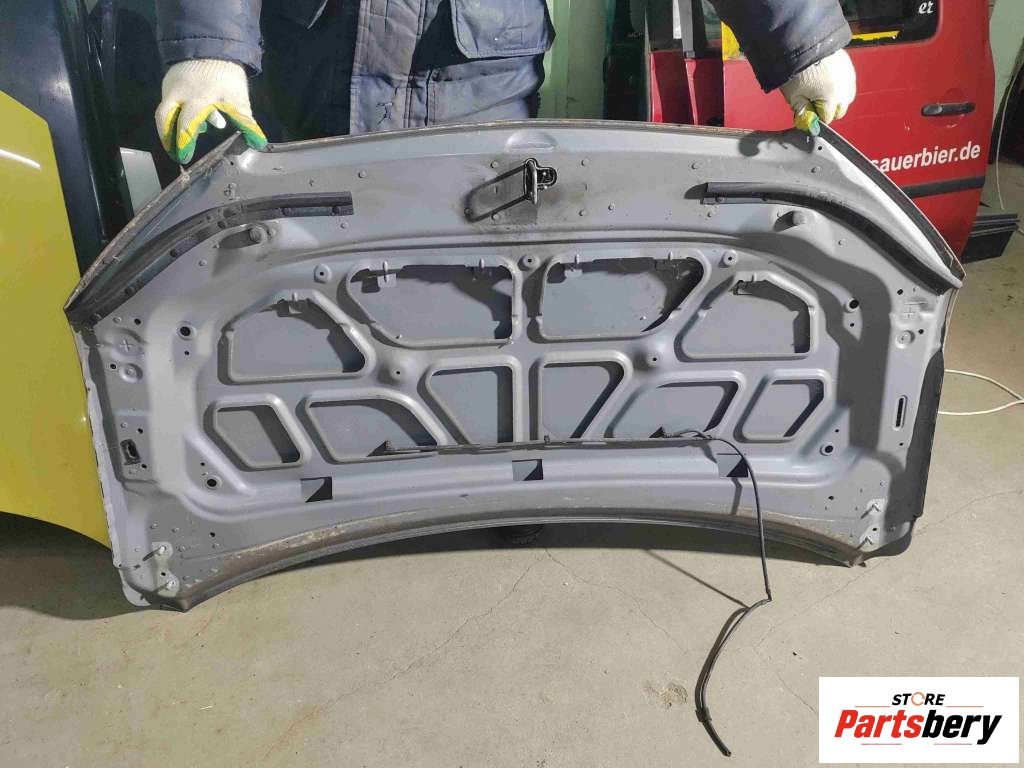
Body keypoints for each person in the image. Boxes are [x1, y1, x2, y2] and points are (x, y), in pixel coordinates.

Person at [154, 0, 856, 163]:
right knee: (309, 284)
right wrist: (209, 49)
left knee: (476, 275)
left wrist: (800, 41)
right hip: (313, 79)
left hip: (480, 80)